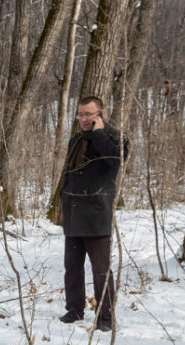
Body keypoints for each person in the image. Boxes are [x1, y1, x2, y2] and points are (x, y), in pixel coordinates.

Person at [59, 96, 129, 332]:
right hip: (73, 213)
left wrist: (98, 134)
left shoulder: (115, 138)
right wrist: (64, 199)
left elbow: (115, 161)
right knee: (72, 266)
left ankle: (105, 316)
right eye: (80, 114)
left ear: (101, 114)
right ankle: (75, 309)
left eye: (88, 114)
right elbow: (68, 172)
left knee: (100, 270)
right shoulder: (76, 140)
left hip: (97, 214)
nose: (83, 119)